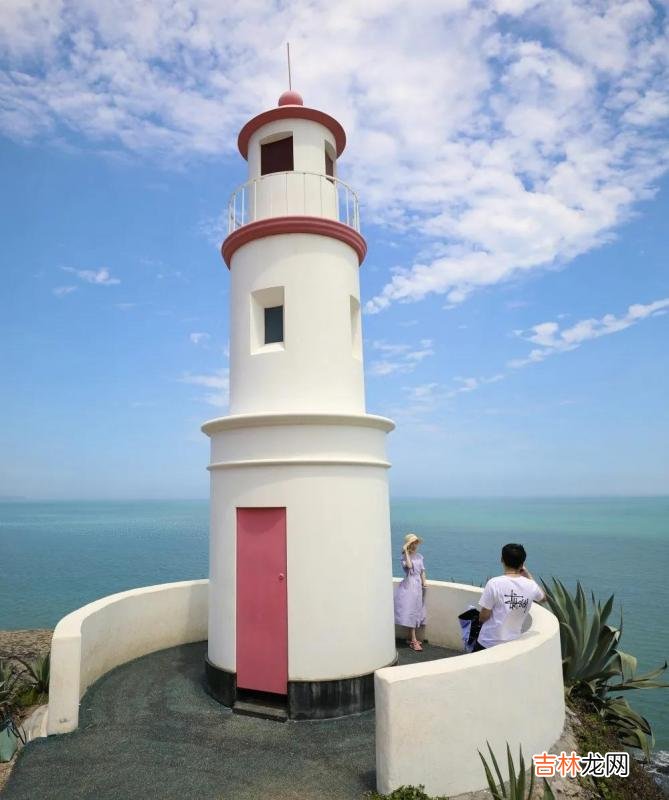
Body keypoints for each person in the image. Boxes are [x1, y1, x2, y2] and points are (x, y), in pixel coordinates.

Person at [474, 543, 544, 652]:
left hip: (488, 642)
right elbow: (543, 598)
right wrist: (527, 574)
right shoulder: (531, 585)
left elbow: (484, 616)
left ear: (502, 559)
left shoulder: (494, 583)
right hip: (512, 645)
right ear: (522, 564)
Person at [394, 532, 427, 651]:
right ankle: (413, 640)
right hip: (410, 585)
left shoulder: (419, 556)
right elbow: (408, 566)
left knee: (416, 610)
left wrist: (424, 582)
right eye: (412, 543)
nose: (415, 545)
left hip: (418, 585)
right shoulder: (404, 557)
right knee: (412, 611)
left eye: (416, 543)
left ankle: (410, 637)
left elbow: (422, 571)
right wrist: (406, 551)